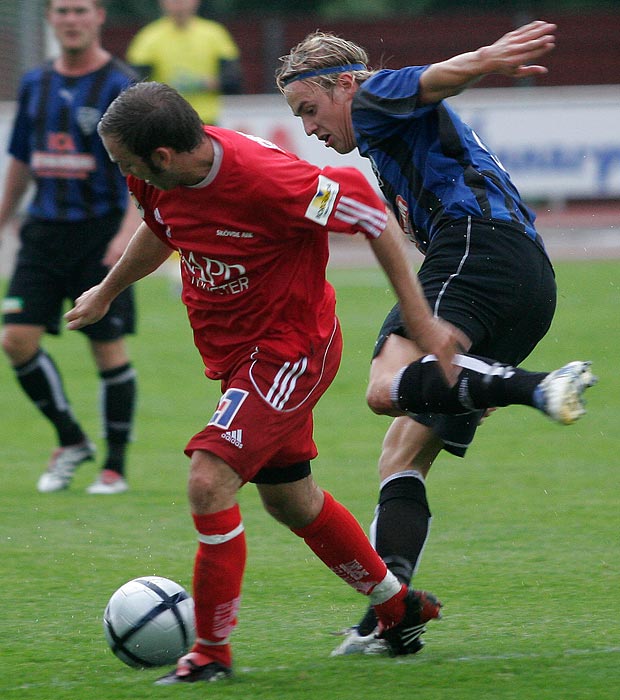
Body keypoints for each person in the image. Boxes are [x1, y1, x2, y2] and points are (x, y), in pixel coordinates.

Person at [63, 80, 471, 683]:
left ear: (165, 156)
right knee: (290, 500)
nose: (122, 172)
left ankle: (210, 655)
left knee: (209, 478)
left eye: (125, 162)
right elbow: (161, 224)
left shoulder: (266, 181)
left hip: (290, 352)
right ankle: (396, 607)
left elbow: (370, 214)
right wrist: (107, 291)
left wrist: (418, 319)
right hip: (236, 358)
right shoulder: (157, 179)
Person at [276, 20, 597, 655]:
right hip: (528, 281)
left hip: (479, 248)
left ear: (343, 85)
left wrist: (487, 58)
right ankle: (392, 619)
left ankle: (536, 388)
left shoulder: (369, 98)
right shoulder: (385, 150)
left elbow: (432, 80)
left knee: (382, 386)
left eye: (310, 110)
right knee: (401, 456)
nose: (311, 128)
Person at [0, 0, 141, 495]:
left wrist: (127, 232)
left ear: (99, 15)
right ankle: (72, 439)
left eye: (80, 10)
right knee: (15, 339)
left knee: (107, 348)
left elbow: (138, 168)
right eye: (61, 11)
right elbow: (21, 158)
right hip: (42, 231)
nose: (70, 19)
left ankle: (115, 466)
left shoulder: (122, 85)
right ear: (50, 20)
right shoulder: (34, 82)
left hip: (99, 235)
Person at [126, 0, 242, 125]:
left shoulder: (215, 34)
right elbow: (133, 84)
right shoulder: (148, 37)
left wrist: (205, 83)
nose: (179, 2)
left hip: (207, 120)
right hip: (164, 120)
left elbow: (234, 81)